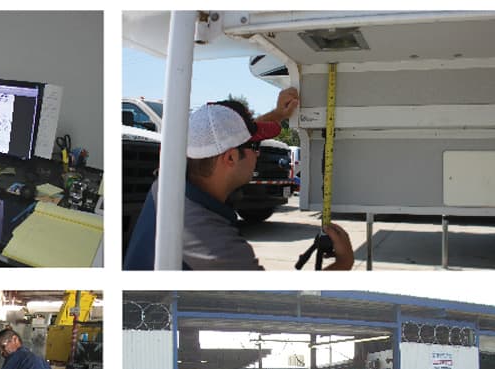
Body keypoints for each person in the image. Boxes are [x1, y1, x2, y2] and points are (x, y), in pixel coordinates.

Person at [123, 88, 354, 271]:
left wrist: (279, 114)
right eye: (255, 147)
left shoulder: (166, 184)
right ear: (231, 157)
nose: (258, 152)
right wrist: (343, 264)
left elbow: (230, 137)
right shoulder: (214, 245)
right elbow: (278, 306)